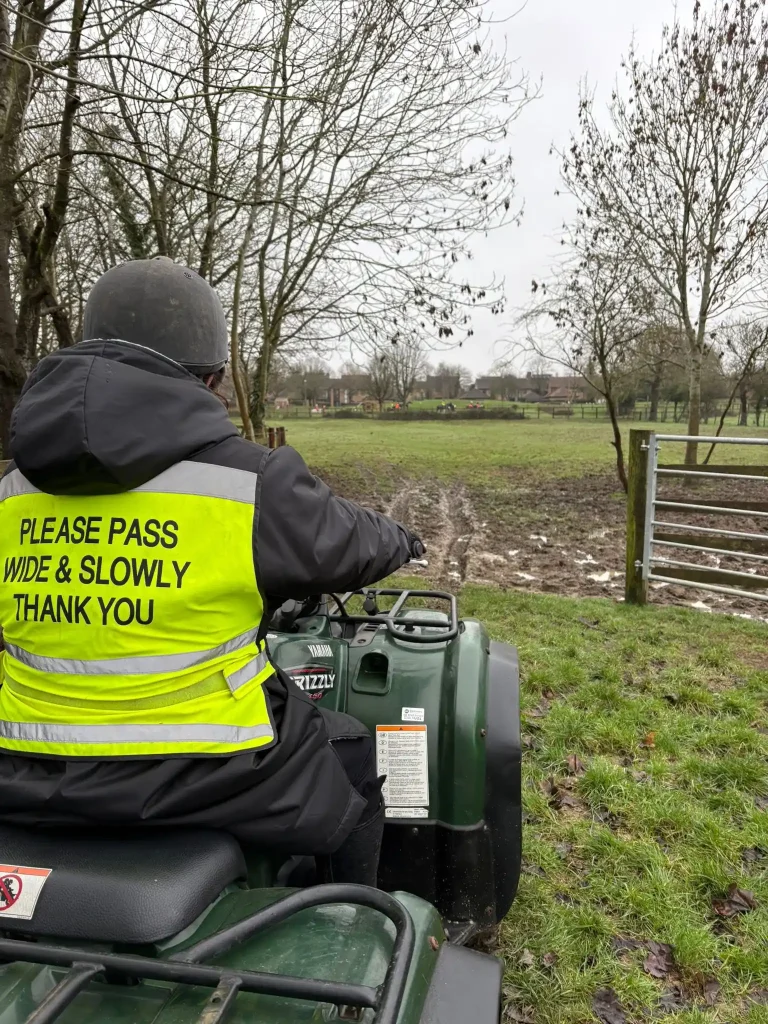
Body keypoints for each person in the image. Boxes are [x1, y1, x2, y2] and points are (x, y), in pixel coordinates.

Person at [0, 257, 424, 886]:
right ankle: (345, 938)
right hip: (204, 771)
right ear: (209, 379)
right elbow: (351, 544)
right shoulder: (250, 482)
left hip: (24, 770)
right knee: (351, 753)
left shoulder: (11, 488)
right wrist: (405, 538)